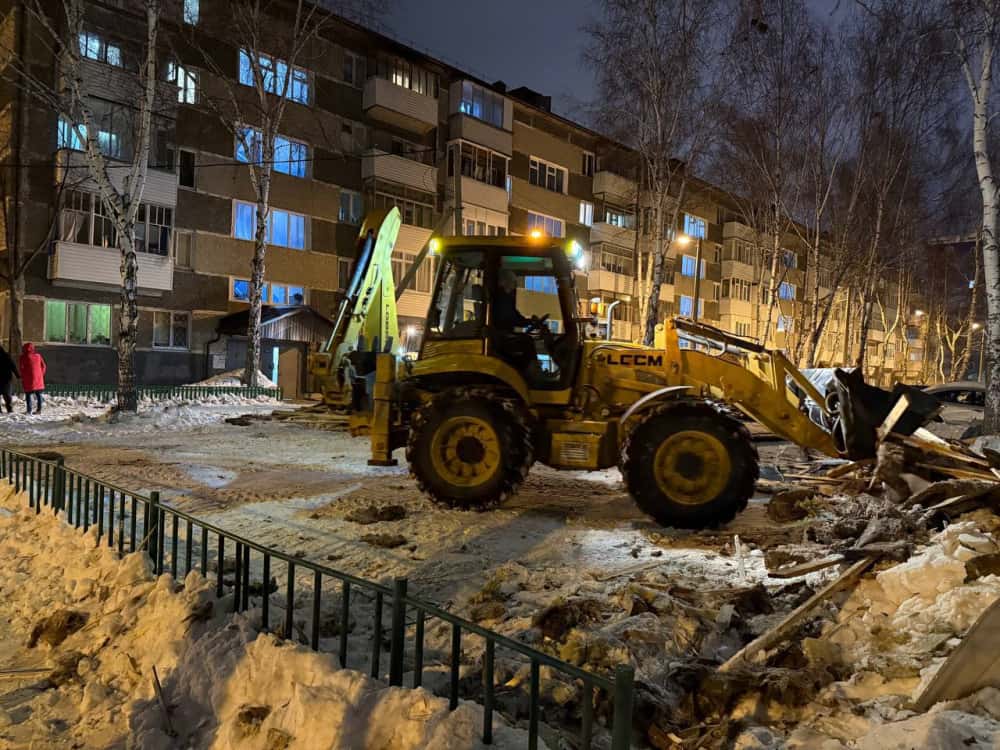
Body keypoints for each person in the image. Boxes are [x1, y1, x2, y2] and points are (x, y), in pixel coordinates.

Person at [19, 343, 46, 415]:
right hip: (38, 379)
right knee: (39, 395)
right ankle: (39, 410)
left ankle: (29, 410)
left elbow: (21, 368)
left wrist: (23, 376)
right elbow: (44, 366)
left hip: (28, 380)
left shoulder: (23, 357)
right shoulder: (38, 356)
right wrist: (41, 374)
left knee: (28, 395)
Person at [0, 344, 19, 414]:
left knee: (7, 394)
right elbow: (13, 366)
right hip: (7, 378)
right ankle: (9, 408)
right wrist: (17, 375)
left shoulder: (7, 356)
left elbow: (12, 365)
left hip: (4, 378)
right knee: (7, 394)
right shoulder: (7, 356)